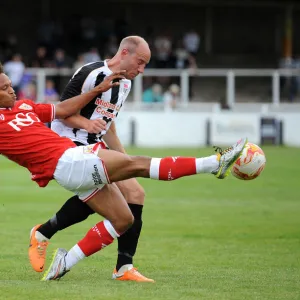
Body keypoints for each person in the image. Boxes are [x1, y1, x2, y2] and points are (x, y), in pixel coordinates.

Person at [0, 61, 247, 281]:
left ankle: (66, 261)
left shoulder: (24, 106)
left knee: (123, 219)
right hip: (68, 161)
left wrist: (97, 91)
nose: (11, 89)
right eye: (4, 88)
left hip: (71, 164)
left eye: (10, 84)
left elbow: (63, 111)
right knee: (137, 164)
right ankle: (215, 163)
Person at [29, 36, 155, 283]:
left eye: (145, 65)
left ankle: (123, 267)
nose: (141, 70)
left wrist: (125, 160)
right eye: (140, 62)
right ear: (125, 53)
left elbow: (108, 124)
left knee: (135, 194)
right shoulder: (91, 73)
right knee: (110, 198)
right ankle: (44, 234)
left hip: (95, 146)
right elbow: (62, 111)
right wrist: (87, 123)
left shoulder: (125, 84)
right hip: (68, 145)